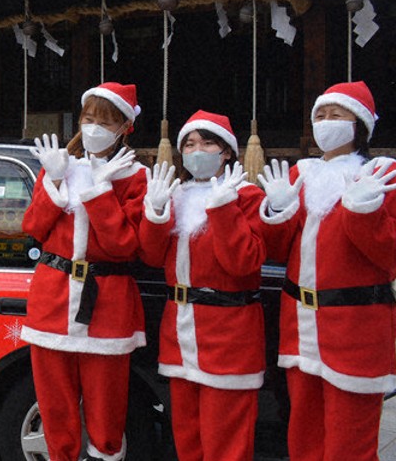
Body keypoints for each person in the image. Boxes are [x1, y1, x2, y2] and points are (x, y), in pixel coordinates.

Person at [258, 81, 396, 461]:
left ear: (359, 124)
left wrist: (363, 215)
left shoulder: (382, 172)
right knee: (304, 436)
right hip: (300, 325)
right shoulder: (302, 172)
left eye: (337, 115)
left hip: (355, 328)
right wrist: (278, 213)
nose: (326, 123)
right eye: (320, 115)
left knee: (350, 443)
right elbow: (277, 250)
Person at [20, 82, 147, 461]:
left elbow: (124, 245)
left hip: (107, 305)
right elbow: (33, 227)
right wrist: (54, 180)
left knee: (107, 409)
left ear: (125, 126)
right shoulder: (60, 166)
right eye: (89, 119)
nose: (94, 128)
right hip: (52, 300)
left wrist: (99, 191)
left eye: (105, 121)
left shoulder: (135, 176)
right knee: (54, 405)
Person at [139, 111, 266, 461]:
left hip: (230, 335)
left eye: (207, 142)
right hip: (179, 333)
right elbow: (151, 255)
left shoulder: (247, 195)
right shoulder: (176, 194)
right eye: (190, 144)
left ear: (226, 152)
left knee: (226, 442)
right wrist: (156, 209)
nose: (198, 151)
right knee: (187, 439)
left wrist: (224, 209)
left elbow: (244, 264)